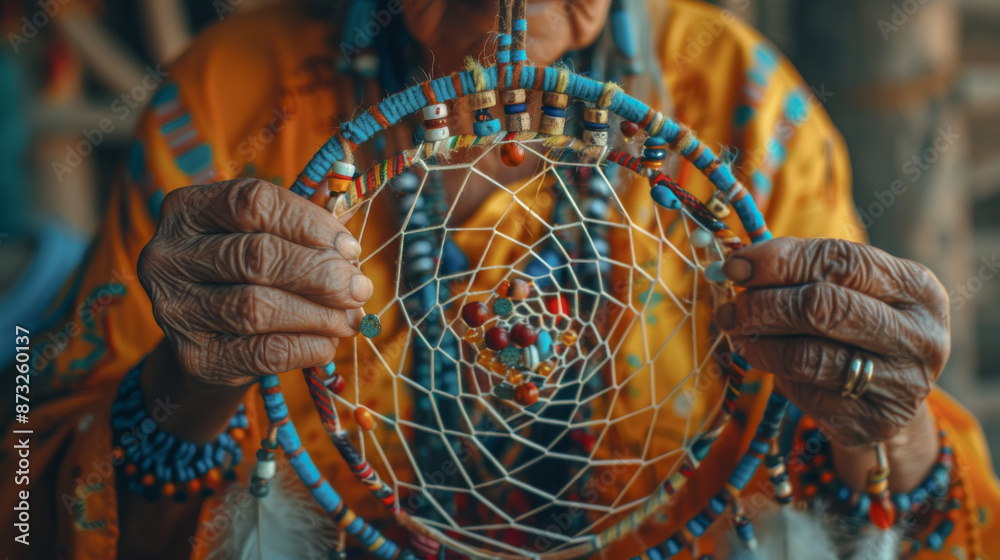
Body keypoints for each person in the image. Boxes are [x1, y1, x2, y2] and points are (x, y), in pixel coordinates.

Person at [3, 0, 997, 558]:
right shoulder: (229, 105)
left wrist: (891, 423)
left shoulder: (741, 111)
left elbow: (899, 506)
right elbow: (27, 516)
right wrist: (189, 381)